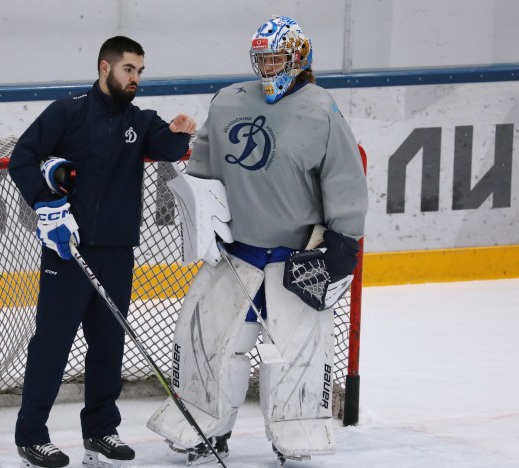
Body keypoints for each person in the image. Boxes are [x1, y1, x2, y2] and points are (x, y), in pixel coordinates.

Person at [147, 15, 368, 465]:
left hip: (297, 257)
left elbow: (344, 177)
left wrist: (345, 237)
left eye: (277, 58)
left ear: (299, 56)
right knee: (212, 342)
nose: (268, 68)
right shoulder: (228, 102)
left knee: (292, 352)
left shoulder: (321, 110)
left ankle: (297, 431)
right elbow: (204, 169)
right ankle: (206, 425)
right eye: (262, 59)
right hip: (237, 252)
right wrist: (200, 213)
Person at [8, 36, 196, 468]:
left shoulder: (141, 120)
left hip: (116, 250)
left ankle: (100, 430)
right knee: (52, 345)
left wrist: (177, 131)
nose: (135, 78)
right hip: (68, 250)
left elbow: (166, 148)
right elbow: (23, 157)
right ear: (104, 67)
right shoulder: (67, 112)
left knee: (108, 345)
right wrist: (46, 204)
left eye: (141, 71)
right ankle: (31, 435)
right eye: (129, 69)